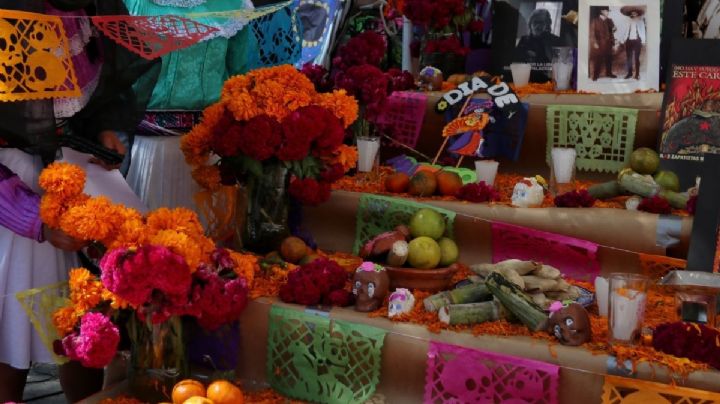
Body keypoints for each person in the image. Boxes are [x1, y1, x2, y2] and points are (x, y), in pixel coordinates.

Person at [0, 0, 158, 402]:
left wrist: (101, 132)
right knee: (7, 333)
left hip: (72, 186)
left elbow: (92, 97)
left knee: (84, 328)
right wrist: (32, 217)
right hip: (11, 201)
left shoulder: (86, 5)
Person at [513, 8, 566, 82]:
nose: (538, 26)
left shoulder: (555, 40)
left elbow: (560, 65)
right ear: (530, 24)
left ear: (546, 25)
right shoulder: (523, 40)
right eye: (535, 22)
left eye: (541, 23)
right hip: (526, 80)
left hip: (548, 81)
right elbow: (516, 62)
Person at [590, 6, 616, 81]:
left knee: (609, 59)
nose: (608, 13)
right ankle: (595, 75)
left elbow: (613, 31)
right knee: (598, 59)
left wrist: (614, 29)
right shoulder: (595, 21)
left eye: (608, 11)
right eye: (607, 11)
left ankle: (609, 73)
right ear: (602, 11)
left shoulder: (610, 20)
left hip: (609, 43)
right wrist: (594, 42)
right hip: (599, 44)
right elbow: (592, 33)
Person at [620, 8, 646, 80]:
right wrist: (623, 40)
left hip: (637, 41)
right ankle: (630, 73)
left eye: (635, 13)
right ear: (630, 14)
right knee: (629, 58)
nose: (633, 14)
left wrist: (643, 41)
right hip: (629, 41)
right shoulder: (628, 22)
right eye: (632, 13)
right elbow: (625, 31)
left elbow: (643, 32)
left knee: (636, 58)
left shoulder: (640, 22)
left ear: (637, 14)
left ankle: (637, 74)